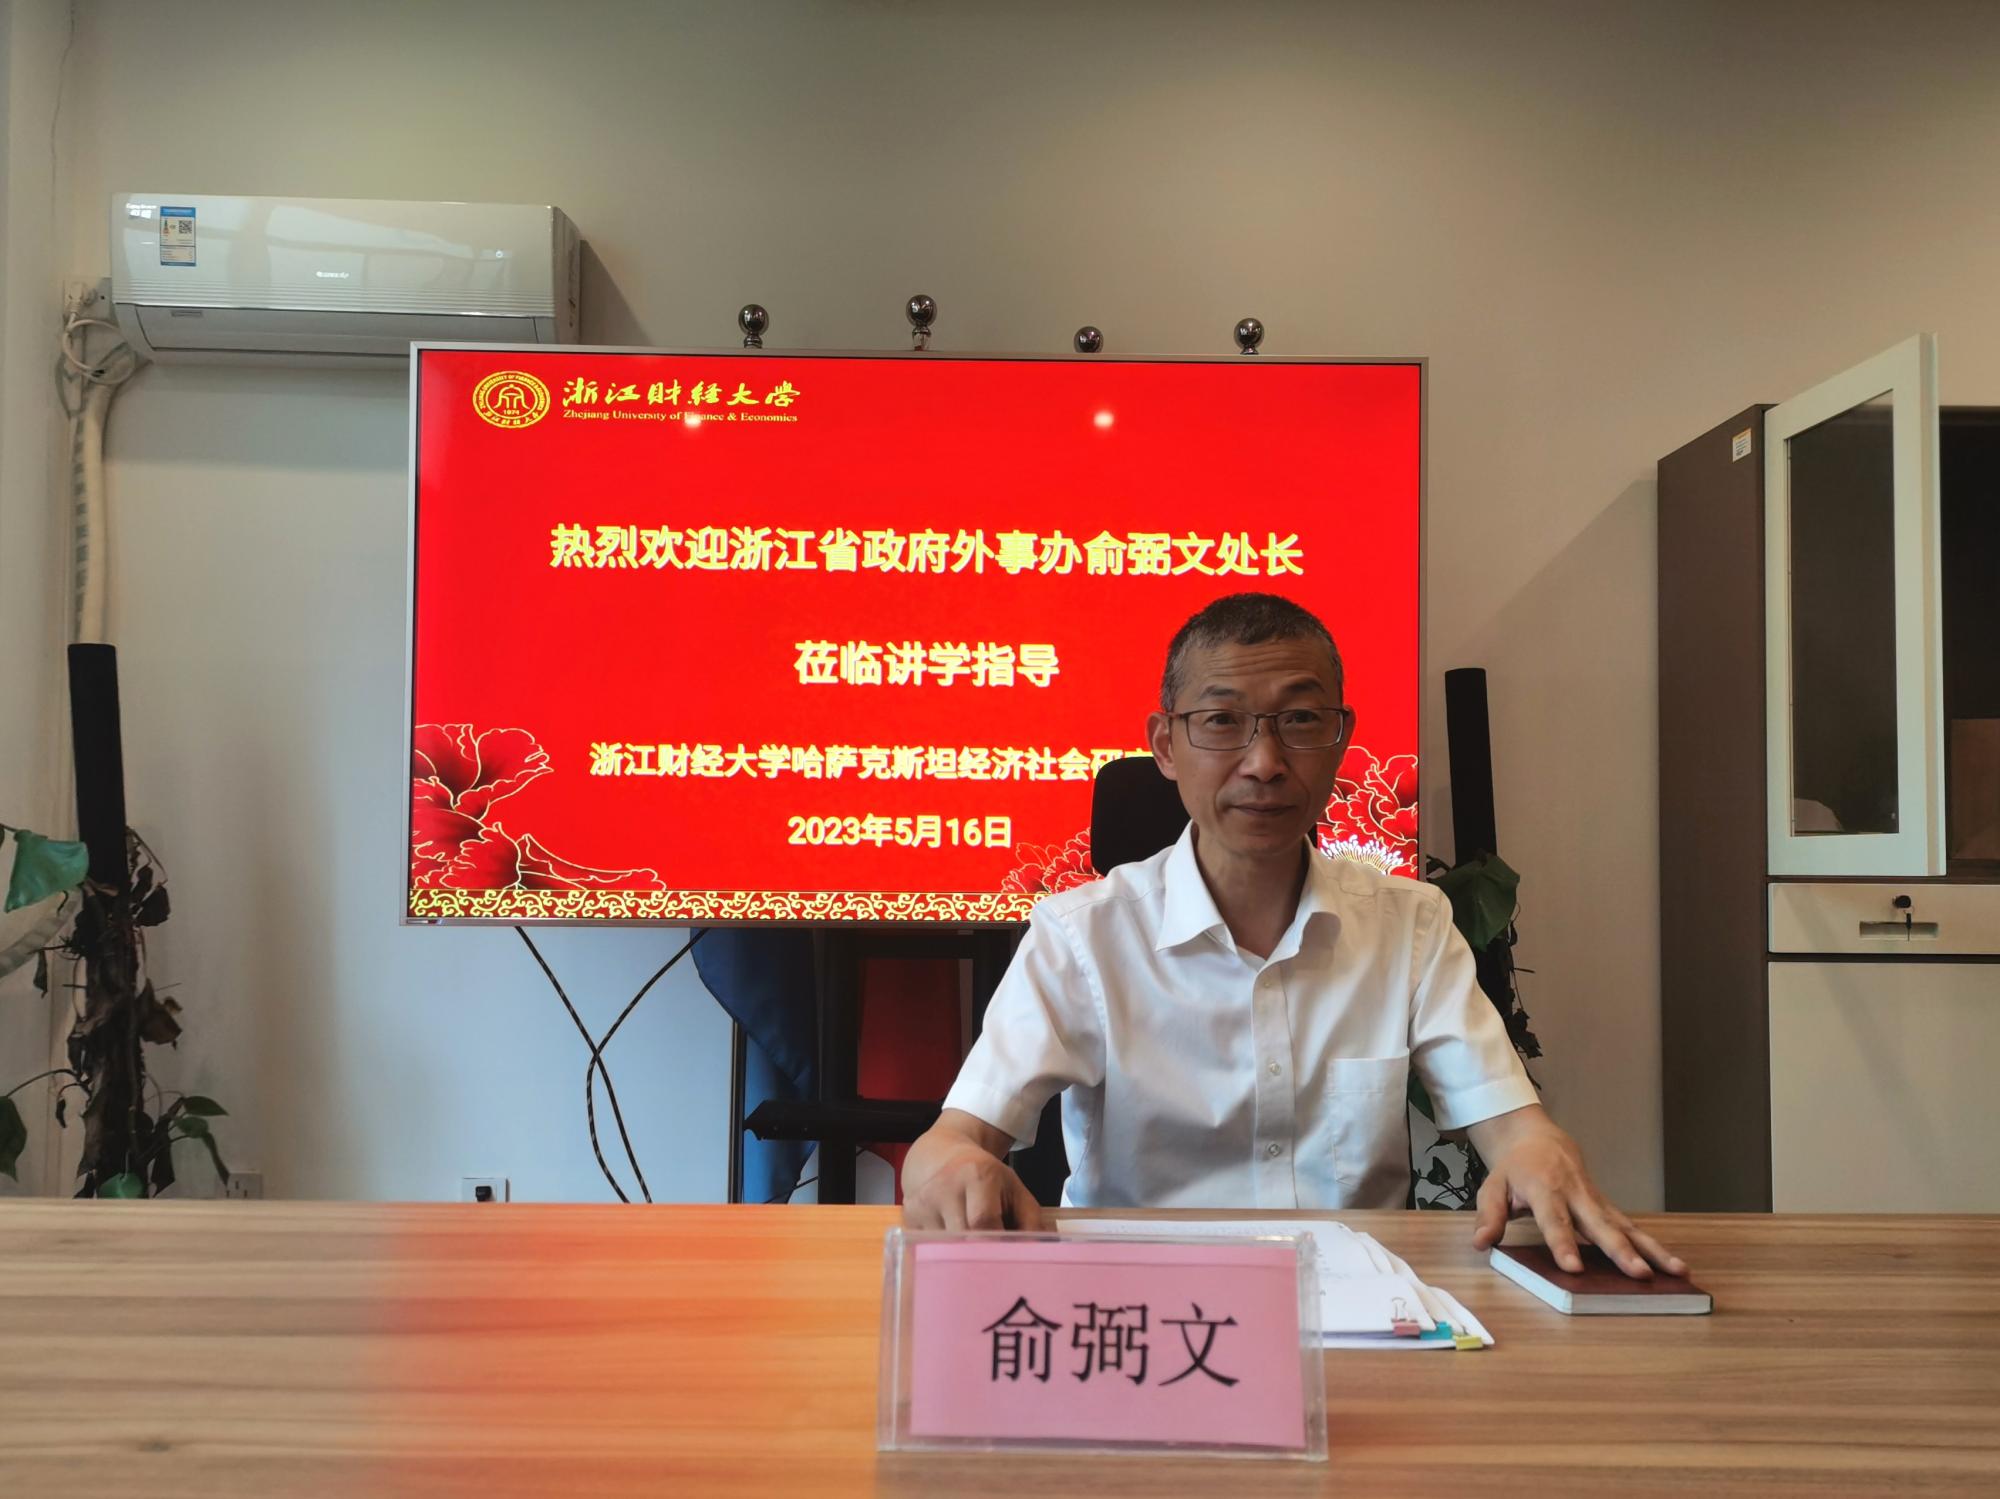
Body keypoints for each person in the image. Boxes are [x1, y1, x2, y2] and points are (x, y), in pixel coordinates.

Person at [900, 592, 1683, 1280]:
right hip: (1144, 1313)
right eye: (1222, 721)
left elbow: (1515, 1126)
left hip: (1364, 1318)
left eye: (1301, 720)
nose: (1265, 762)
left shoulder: (1410, 925)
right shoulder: (1082, 936)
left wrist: (1538, 1151)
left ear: (1341, 737)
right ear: (1166, 745)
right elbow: (952, 1140)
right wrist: (955, 1166)